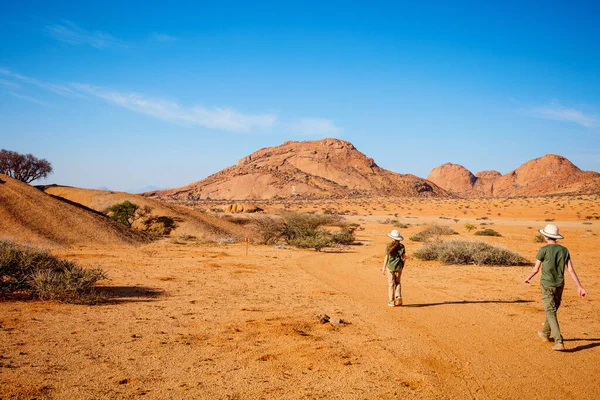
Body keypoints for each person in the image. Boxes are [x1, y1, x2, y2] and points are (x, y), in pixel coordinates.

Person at [524, 224, 587, 351]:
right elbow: (571, 270)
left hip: (547, 285)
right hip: (559, 285)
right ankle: (545, 333)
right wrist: (579, 286)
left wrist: (528, 277)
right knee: (552, 310)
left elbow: (536, 269)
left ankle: (559, 341)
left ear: (546, 236)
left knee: (550, 311)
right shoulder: (564, 250)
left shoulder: (543, 250)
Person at [381, 229, 406, 307]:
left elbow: (386, 257)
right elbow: (404, 257)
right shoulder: (402, 246)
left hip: (390, 267)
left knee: (391, 284)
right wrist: (402, 266)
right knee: (398, 282)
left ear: (392, 237)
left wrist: (383, 268)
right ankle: (398, 296)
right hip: (399, 266)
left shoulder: (389, 246)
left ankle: (391, 302)